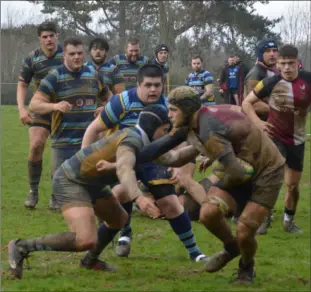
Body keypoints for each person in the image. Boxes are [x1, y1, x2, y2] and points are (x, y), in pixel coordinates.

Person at [136, 86, 285, 283]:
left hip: (266, 171)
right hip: (238, 165)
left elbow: (237, 173)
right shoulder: (193, 121)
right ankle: (231, 248)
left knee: (244, 230)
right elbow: (168, 151)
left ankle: (246, 267)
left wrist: (211, 182)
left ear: (187, 110)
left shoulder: (209, 129)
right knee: (208, 213)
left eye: (173, 110)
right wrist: (130, 156)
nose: (169, 114)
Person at [7, 105, 171, 279]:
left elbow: (172, 158)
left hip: (91, 183)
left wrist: (197, 144)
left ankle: (90, 261)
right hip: (70, 180)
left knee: (119, 219)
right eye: (165, 130)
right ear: (153, 127)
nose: (166, 135)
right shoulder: (133, 139)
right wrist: (139, 198)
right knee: (85, 239)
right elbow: (124, 169)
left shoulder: (141, 140)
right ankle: (21, 246)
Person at [80, 64, 207, 262]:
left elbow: (178, 137)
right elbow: (93, 129)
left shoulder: (169, 107)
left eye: (157, 85)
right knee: (119, 195)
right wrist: (84, 162)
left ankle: (195, 252)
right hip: (123, 158)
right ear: (138, 85)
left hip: (154, 160)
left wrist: (175, 165)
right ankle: (124, 233)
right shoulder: (122, 101)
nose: (153, 90)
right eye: (148, 85)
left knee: (170, 203)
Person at [29, 37, 112, 209]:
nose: (77, 57)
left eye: (80, 53)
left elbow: (111, 99)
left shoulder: (94, 75)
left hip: (88, 141)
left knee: (92, 188)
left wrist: (104, 107)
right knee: (58, 197)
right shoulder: (55, 76)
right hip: (63, 141)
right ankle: (54, 196)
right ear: (64, 56)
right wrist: (54, 106)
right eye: (72, 54)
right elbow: (34, 104)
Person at [242, 44, 311, 234]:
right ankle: (264, 218)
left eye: (291, 63)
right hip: (274, 138)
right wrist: (258, 123)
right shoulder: (270, 82)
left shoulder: (308, 80)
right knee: (271, 180)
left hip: (297, 140)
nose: (287, 68)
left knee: (292, 185)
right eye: (283, 63)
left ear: (298, 63)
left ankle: (288, 220)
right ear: (278, 65)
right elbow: (246, 103)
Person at [17, 21, 63, 210]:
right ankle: (33, 191)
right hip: (41, 108)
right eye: (44, 36)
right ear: (40, 39)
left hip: (62, 109)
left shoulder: (66, 55)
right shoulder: (32, 58)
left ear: (57, 36)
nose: (48, 39)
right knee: (36, 145)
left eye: (51, 35)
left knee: (60, 152)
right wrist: (21, 108)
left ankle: (56, 194)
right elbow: (22, 84)